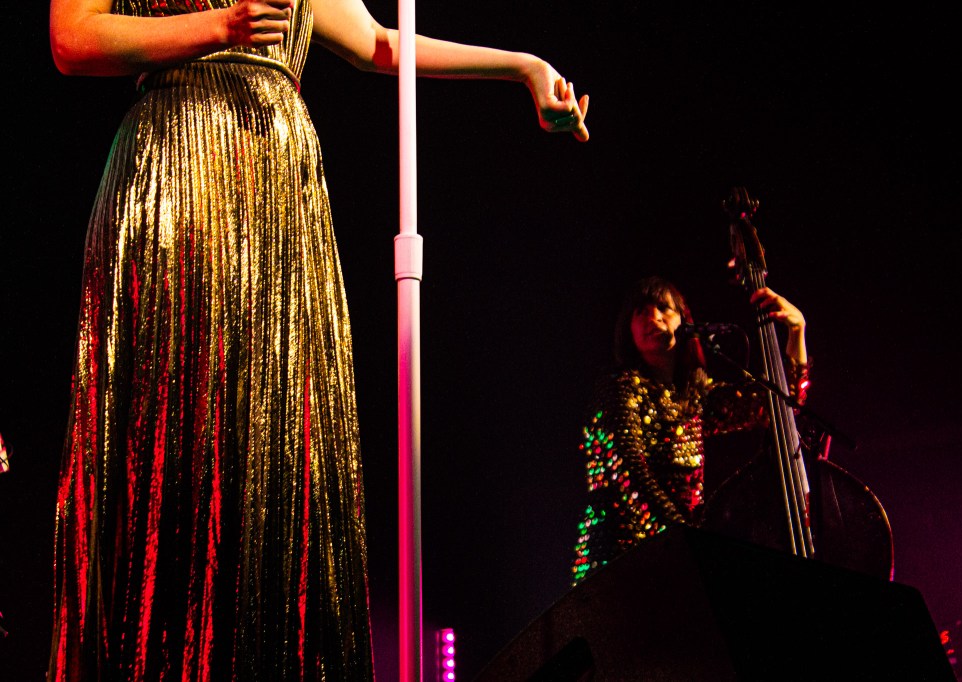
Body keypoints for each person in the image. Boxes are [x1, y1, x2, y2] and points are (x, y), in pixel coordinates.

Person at [48, 0, 589, 679]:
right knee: (183, 432)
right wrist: (219, 27)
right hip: (179, 171)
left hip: (276, 184)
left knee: (270, 446)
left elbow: (377, 43)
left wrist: (525, 69)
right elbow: (71, 38)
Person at [570, 275, 810, 586]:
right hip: (618, 563)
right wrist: (688, 539)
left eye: (663, 308)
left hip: (674, 560)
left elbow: (776, 406)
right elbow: (629, 474)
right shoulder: (617, 388)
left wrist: (796, 330)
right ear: (627, 328)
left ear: (684, 322)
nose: (652, 317)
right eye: (640, 311)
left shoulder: (694, 399)